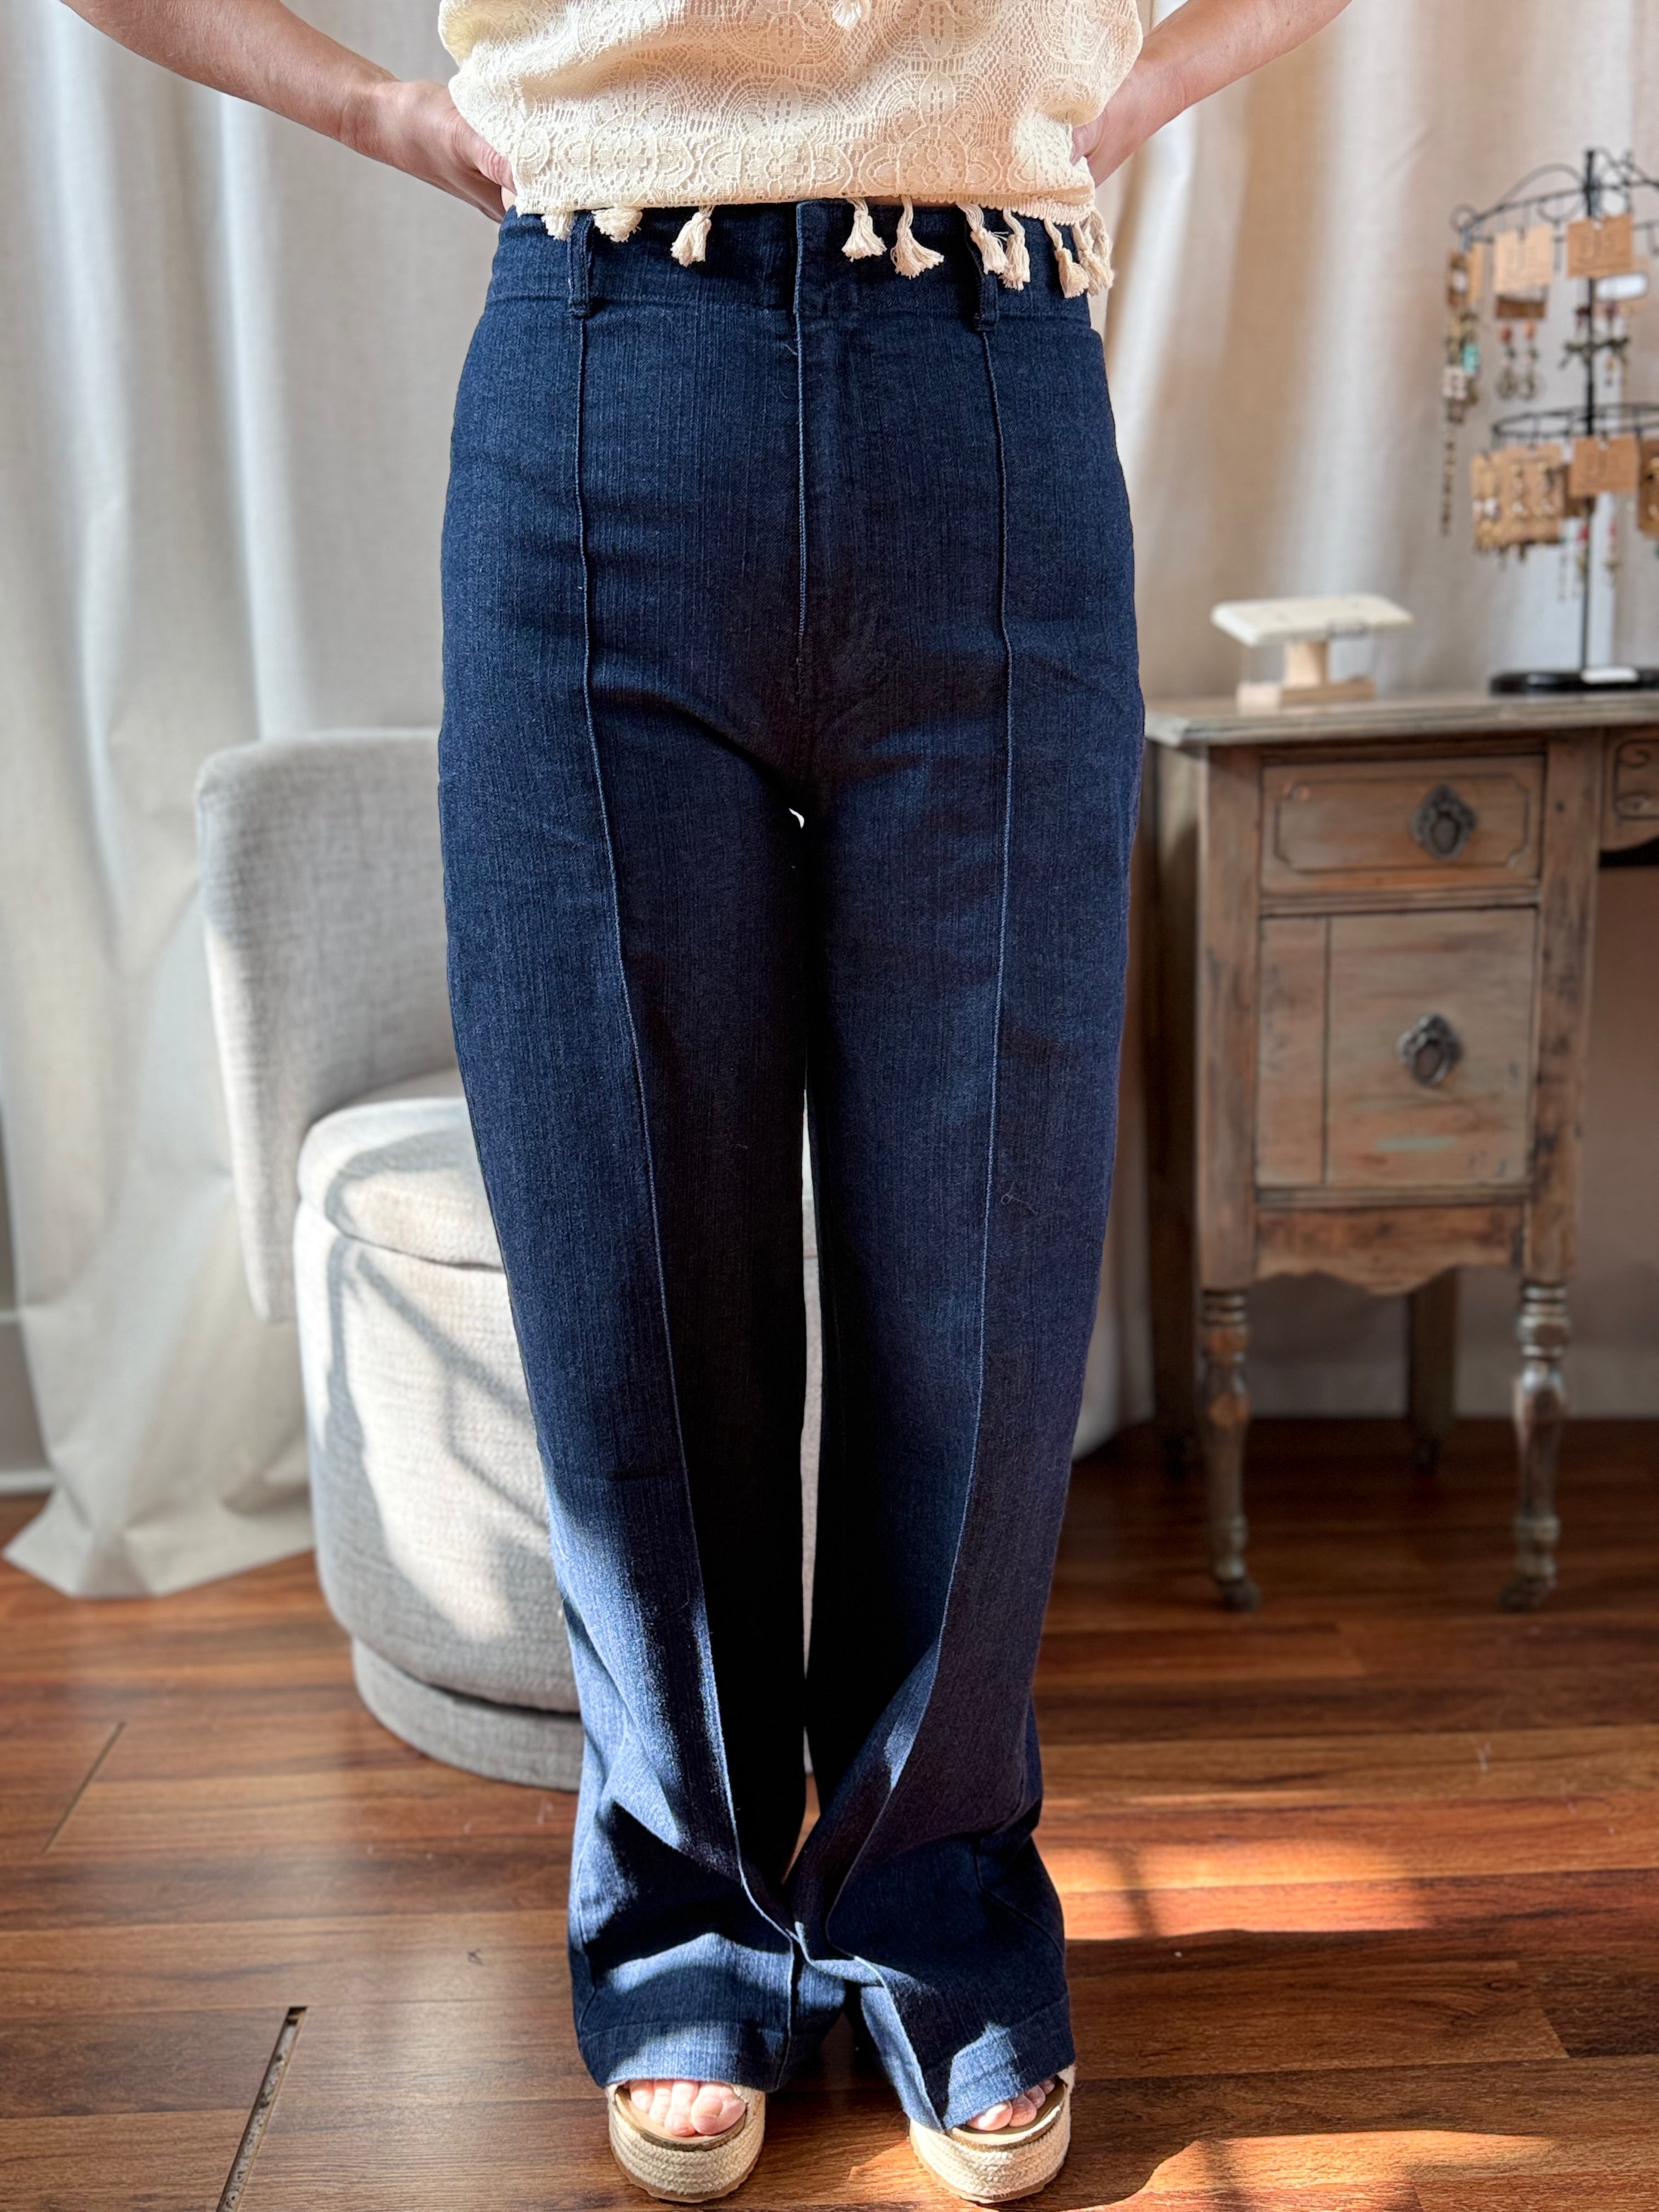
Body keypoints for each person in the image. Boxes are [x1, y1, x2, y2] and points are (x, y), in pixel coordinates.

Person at [68, 0, 1349, 2197]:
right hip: (599, 366)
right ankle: (682, 1920)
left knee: (987, 1228)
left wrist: (1124, 86)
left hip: (991, 367)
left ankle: (938, 1902)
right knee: (622, 1221)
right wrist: (380, 106)